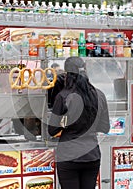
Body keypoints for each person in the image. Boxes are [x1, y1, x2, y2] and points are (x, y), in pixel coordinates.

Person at [48, 57, 110, 189]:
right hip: (92, 155)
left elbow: (51, 130)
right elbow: (105, 127)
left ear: (67, 73)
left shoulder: (63, 96)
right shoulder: (99, 95)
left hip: (69, 156)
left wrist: (65, 123)